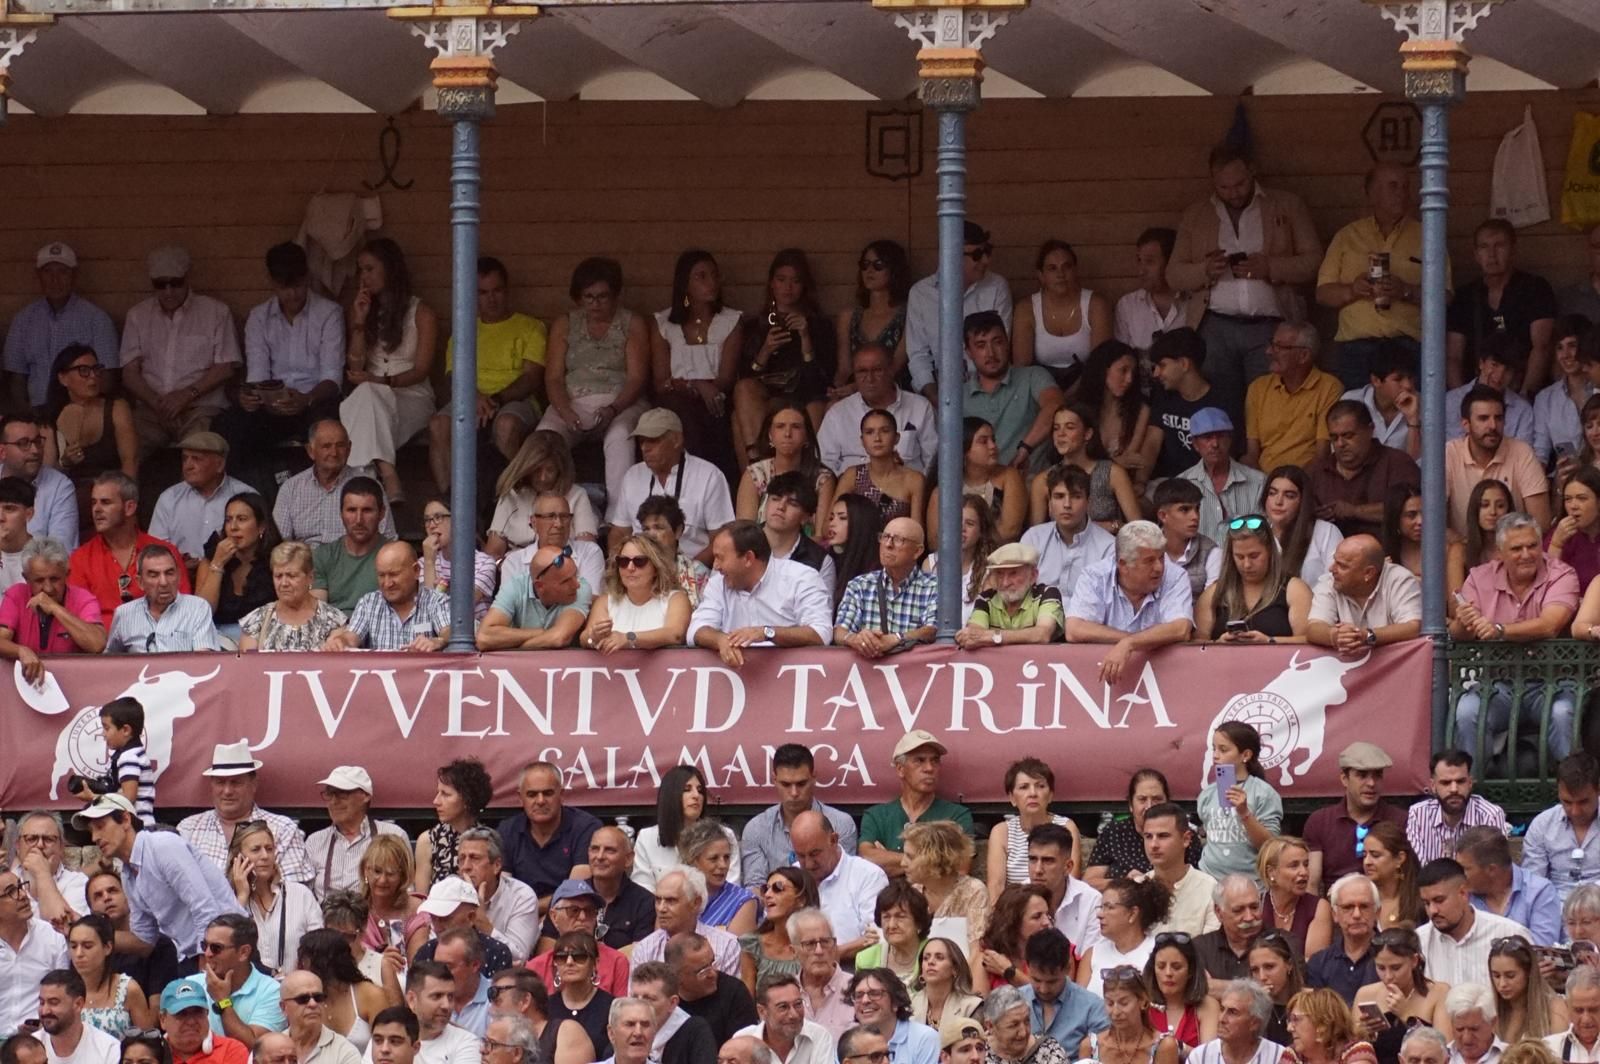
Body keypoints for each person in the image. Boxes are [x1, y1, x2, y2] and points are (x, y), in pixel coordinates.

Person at [1169, 143, 1323, 433]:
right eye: (1224, 187)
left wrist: (1271, 268)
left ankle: (1263, 465)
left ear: (1253, 171)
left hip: (1271, 327)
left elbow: (1314, 261)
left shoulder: (1287, 205)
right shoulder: (1197, 214)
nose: (1234, 192)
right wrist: (1204, 271)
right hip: (1214, 325)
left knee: (1269, 401)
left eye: (1239, 183)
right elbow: (1174, 274)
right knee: (1219, 401)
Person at [1450, 513, 1580, 764]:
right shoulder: (1479, 577)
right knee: (1467, 711)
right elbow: (1460, 633)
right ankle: (1471, 790)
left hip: (1551, 682)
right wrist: (1464, 623)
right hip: (1498, 684)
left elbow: (1549, 625)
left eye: (1532, 546)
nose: (1526, 554)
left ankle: (1570, 795)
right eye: (1516, 548)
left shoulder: (1562, 574)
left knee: (1562, 713)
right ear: (1499, 552)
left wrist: (1500, 630)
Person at [219, 242, 344, 489]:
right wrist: (251, 397)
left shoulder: (329, 313)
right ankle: (249, 496)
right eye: (285, 287)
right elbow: (258, 374)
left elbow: (332, 378)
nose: (293, 294)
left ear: (307, 277)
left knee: (328, 429)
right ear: (272, 283)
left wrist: (306, 399)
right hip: (272, 407)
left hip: (315, 402)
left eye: (298, 285)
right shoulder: (259, 317)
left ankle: (328, 496)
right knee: (229, 425)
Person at [534, 256, 651, 509]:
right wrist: (565, 411)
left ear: (616, 295)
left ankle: (616, 517)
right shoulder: (565, 324)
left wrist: (614, 409)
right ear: (578, 297)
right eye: (589, 297)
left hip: (621, 402)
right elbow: (553, 377)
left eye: (603, 296)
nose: (596, 303)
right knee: (545, 440)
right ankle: (546, 508)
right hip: (572, 401)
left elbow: (636, 377)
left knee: (620, 437)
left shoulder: (632, 323)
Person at [426, 257, 547, 494]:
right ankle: (451, 504)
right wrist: (474, 397)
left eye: (497, 290)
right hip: (470, 398)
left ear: (507, 290)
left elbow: (531, 378)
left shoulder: (531, 327)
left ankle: (504, 504)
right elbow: (452, 376)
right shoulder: (464, 328)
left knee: (506, 424)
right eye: (483, 292)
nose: (491, 299)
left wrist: (494, 401)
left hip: (515, 401)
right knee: (439, 424)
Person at [119, 245, 242, 456]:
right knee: (127, 449)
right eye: (160, 284)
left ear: (187, 278)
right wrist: (156, 401)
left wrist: (186, 395)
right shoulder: (137, 315)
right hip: (151, 409)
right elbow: (129, 372)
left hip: (201, 408)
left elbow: (226, 366)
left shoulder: (215, 311)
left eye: (175, 283)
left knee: (200, 453)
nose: (168, 291)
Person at [340, 238, 437, 505]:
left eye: (370, 269)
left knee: (364, 399)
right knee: (366, 395)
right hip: (371, 396)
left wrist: (380, 380)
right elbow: (356, 366)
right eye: (361, 270)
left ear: (390, 269)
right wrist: (359, 322)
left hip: (411, 397)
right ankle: (385, 472)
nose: (365, 277)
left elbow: (421, 370)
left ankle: (362, 487)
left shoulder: (422, 313)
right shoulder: (362, 310)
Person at [1316, 163, 1429, 390]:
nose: (1402, 193)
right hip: (1356, 349)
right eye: (1393, 186)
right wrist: (1352, 290)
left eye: (1406, 187)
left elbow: (1445, 296)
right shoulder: (1347, 236)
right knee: (1357, 417)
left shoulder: (1426, 235)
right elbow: (1322, 293)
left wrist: (1405, 291)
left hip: (1407, 346)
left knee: (1409, 416)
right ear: (1371, 193)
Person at [733, 249, 836, 460]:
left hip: (804, 394)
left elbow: (820, 381)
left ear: (804, 286)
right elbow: (743, 379)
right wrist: (765, 351)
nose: (788, 287)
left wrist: (806, 337)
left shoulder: (819, 325)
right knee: (741, 400)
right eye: (781, 279)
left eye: (795, 281)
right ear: (772, 283)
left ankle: (803, 476)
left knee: (816, 408)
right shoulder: (755, 325)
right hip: (767, 395)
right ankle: (758, 465)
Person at [1064, 521, 1195, 684]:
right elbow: (1074, 629)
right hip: (1099, 683)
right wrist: (1132, 641)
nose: (1159, 567)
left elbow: (1181, 628)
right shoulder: (1095, 577)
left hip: (1168, 680)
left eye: (1161, 558)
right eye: (1149, 561)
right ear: (1123, 565)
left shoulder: (1175, 576)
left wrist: (1129, 644)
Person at [688, 520, 833, 666]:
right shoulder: (718, 583)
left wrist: (767, 633)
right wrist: (720, 640)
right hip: (735, 678)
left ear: (748, 558)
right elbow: (696, 629)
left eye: (721, 558)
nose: (715, 566)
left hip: (793, 679)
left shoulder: (801, 578)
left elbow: (821, 633)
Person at [650, 249, 743, 476]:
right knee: (682, 413)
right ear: (685, 284)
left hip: (716, 399)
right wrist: (696, 385)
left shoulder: (731, 321)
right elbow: (661, 382)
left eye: (714, 275)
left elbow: (726, 378)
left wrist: (707, 389)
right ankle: (691, 479)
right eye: (701, 277)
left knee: (712, 415)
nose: (711, 283)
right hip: (676, 400)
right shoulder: (663, 323)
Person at [607, 408, 736, 564]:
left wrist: (687, 572)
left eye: (653, 440)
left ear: (676, 440)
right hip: (639, 570)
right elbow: (619, 531)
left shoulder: (709, 476)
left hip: (693, 572)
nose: (644, 448)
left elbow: (721, 537)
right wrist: (621, 565)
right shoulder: (632, 476)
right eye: (641, 441)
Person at [5, 242, 119, 413]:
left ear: (74, 275)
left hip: (83, 412)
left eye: (63, 272)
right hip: (36, 412)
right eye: (48, 272)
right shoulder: (23, 320)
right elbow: (16, 377)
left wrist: (85, 412)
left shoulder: (96, 319)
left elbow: (108, 377)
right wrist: (28, 416)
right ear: (38, 275)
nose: (55, 279)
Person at [1447, 218, 1557, 393]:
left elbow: (1541, 347)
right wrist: (1463, 399)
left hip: (1523, 390)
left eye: (1499, 245)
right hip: (1476, 394)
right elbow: (1453, 356)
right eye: (1484, 247)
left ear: (1513, 250)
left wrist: (1524, 395)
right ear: (1476, 254)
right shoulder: (1465, 296)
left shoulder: (1535, 288)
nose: (1491, 254)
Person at [907, 221, 1013, 402]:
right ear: (951, 256)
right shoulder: (921, 293)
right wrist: (936, 399)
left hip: (990, 390)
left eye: (987, 251)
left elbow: (1000, 348)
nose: (986, 260)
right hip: (939, 393)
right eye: (977, 255)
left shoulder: (997, 286)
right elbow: (918, 357)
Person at [68, 473, 188, 626]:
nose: (96, 509)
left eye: (105, 502)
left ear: (129, 507)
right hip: (102, 646)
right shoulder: (81, 558)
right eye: (93, 503)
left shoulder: (165, 553)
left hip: (158, 642)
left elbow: (183, 608)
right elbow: (78, 619)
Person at [740, 745, 858, 892]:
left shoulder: (840, 824)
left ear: (814, 778)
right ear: (774, 780)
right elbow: (755, 888)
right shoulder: (756, 829)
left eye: (801, 784)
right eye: (786, 784)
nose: (794, 792)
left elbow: (844, 881)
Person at [857, 730, 973, 874]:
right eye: (919, 760)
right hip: (888, 895)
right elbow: (866, 859)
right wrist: (937, 861)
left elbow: (960, 869)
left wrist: (890, 860)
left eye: (935, 760)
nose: (929, 768)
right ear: (900, 769)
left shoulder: (956, 815)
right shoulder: (877, 816)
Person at [1300, 742, 1408, 892]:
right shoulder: (1320, 821)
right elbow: (1312, 883)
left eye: (1377, 775)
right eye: (1362, 775)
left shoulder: (1401, 820)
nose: (1371, 783)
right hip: (1334, 908)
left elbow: (1408, 877)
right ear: (1344, 778)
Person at [1307, 401, 1421, 541]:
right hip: (1330, 558)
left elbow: (1409, 513)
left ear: (1370, 430)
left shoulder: (1397, 463)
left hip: (1387, 558)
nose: (1340, 444)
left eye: (1348, 436)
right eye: (1334, 438)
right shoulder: (1317, 471)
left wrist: (1354, 511)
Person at [818, 344, 938, 476]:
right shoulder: (838, 413)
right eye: (862, 371)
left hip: (906, 492)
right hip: (852, 493)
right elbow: (824, 465)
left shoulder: (920, 407)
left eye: (877, 370)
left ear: (891, 370)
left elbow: (934, 462)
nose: (870, 378)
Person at [1444, 387, 1549, 537]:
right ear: (1465, 424)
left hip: (1512, 552)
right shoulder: (1449, 453)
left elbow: (1541, 523)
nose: (1493, 426)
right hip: (1463, 551)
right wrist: (1464, 549)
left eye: (1498, 418)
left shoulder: (1522, 452)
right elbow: (1433, 522)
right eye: (1483, 418)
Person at [271, 421, 396, 547]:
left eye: (340, 445)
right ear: (310, 451)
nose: (334, 453)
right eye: (326, 446)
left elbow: (388, 538)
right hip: (306, 561)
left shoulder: (369, 485)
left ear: (349, 449)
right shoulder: (291, 488)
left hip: (353, 561)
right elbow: (278, 542)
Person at [963, 311, 1063, 469]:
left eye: (997, 342)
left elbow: (1055, 405)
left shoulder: (1032, 376)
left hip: (1031, 482)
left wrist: (1025, 448)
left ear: (1007, 342)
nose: (990, 352)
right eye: (981, 345)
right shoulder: (958, 396)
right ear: (968, 352)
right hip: (980, 487)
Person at [495, 762, 600, 906]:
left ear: (561, 794)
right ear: (520, 798)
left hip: (569, 914)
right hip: (518, 918)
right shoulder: (507, 830)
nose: (540, 801)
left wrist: (529, 911)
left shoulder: (585, 827)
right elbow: (501, 891)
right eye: (532, 794)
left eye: (548, 793)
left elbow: (575, 892)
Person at [0, 537, 106, 680]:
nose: (48, 588)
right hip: (23, 682)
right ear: (26, 578)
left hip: (73, 683)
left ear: (67, 575)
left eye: (55, 579)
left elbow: (97, 644)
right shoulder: (16, 595)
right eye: (39, 580)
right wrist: (21, 650)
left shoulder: (83, 599)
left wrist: (56, 608)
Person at [1244, 321, 1343, 473]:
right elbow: (1252, 453)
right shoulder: (1258, 387)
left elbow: (1322, 455)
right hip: (1263, 480)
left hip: (1305, 480)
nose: (1269, 351)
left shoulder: (1329, 387)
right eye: (1272, 344)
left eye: (1279, 347)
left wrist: (1291, 484)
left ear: (1303, 355)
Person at [226, 821, 322, 977]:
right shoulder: (229, 901)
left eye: (269, 849)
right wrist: (242, 897)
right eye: (256, 850)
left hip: (296, 989)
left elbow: (319, 950)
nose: (265, 856)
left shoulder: (300, 894)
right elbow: (226, 948)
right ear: (238, 859)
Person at [1194, 514, 1310, 642]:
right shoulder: (1214, 592)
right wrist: (1218, 644)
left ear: (1270, 551)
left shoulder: (1294, 589)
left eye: (1254, 556)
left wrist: (1270, 641)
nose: (1247, 564)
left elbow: (1307, 640)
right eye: (1239, 557)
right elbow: (1196, 644)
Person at [1012, 238, 1112, 388]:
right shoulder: (1026, 308)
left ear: (1075, 270)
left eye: (1067, 267)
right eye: (1052, 268)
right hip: (1041, 390)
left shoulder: (1096, 305)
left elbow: (1099, 364)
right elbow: (1022, 367)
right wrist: (1050, 399)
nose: (1061, 274)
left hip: (1086, 388)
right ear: (1041, 275)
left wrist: (1068, 398)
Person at [1414, 858, 1529, 986]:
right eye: (1426, 903)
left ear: (1463, 893)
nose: (1432, 910)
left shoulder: (1509, 933)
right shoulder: (1418, 942)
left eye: (1439, 900)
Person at [789, 813, 887, 961]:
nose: (808, 864)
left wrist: (826, 956)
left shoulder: (869, 876)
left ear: (833, 840)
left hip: (853, 974)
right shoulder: (793, 875)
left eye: (815, 854)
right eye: (801, 856)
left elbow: (878, 937)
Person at [177, 914, 287, 1046]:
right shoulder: (191, 985)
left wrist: (223, 1001)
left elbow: (253, 1046)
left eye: (216, 948)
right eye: (204, 945)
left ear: (243, 952)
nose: (207, 954)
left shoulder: (272, 991)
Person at [834, 516, 938, 654]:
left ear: (917, 551)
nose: (888, 544)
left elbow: (932, 630)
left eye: (899, 540)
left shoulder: (934, 587)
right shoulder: (859, 585)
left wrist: (896, 638)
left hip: (915, 674)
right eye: (885, 537)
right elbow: (840, 632)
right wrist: (856, 639)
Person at [320, 542, 449, 653]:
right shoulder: (369, 603)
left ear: (416, 571)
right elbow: (352, 636)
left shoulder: (436, 601)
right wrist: (340, 642)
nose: (387, 583)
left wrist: (437, 641)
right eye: (381, 575)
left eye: (394, 574)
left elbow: (449, 632)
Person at [979, 759, 1079, 900]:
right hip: (1014, 911)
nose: (1033, 793)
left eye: (1040, 786)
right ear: (1012, 798)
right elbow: (996, 886)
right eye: (1024, 787)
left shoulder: (1066, 827)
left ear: (1050, 795)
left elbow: (1072, 882)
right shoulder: (1002, 832)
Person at [1307, 534, 1423, 655]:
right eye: (1334, 560)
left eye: (1342, 566)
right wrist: (1335, 636)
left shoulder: (1399, 579)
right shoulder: (1330, 581)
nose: (1332, 569)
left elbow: (1413, 627)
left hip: (1397, 668)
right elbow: (1313, 628)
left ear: (1368, 573)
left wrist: (1368, 636)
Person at [486, 432, 599, 555]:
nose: (543, 478)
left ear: (561, 469)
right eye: (537, 470)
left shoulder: (577, 495)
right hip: (515, 569)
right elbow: (493, 551)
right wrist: (502, 565)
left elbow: (588, 551)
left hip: (564, 567)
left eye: (550, 470)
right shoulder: (512, 495)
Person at [631, 765, 740, 893]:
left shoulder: (725, 836)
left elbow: (732, 889)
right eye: (687, 789)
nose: (696, 796)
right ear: (671, 795)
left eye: (700, 790)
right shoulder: (647, 838)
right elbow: (642, 891)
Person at [1196, 723, 1283, 883]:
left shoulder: (1263, 793)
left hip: (1250, 883)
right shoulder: (1207, 794)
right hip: (1209, 882)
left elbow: (1271, 848)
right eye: (1214, 748)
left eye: (1223, 750)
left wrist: (1244, 813)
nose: (1215, 755)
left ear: (1245, 755)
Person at [1085, 771, 1202, 889]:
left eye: (1157, 799)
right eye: (1142, 799)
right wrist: (1124, 883)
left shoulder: (1183, 836)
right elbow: (1089, 883)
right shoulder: (1113, 833)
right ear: (1131, 805)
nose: (1150, 806)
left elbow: (1198, 881)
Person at [737, 404, 837, 537]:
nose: (788, 433)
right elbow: (744, 533)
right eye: (780, 426)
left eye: (796, 427)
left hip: (805, 555)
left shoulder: (822, 479)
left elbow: (820, 537)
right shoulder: (755, 473)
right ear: (770, 436)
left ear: (807, 436)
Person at [47, 344, 138, 489]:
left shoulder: (116, 407)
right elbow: (46, 475)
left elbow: (130, 461)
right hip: (67, 494)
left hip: (111, 492)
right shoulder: (50, 417)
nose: (93, 376)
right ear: (63, 378)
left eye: (96, 369)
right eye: (84, 371)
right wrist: (65, 463)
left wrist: (123, 498)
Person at [193, 493, 278, 642]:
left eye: (242, 519)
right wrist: (218, 565)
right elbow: (201, 614)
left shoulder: (277, 560)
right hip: (217, 640)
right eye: (228, 520)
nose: (233, 527)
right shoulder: (211, 558)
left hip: (265, 638)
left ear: (261, 527)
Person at [104, 545, 220, 654]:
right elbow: (111, 663)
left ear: (179, 576)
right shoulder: (124, 614)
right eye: (154, 575)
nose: (164, 582)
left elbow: (205, 662)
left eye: (169, 573)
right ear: (140, 582)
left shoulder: (197, 608)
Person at [1454, 828, 1561, 947]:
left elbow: (1541, 950)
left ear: (1491, 869)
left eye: (1465, 869)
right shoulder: (1462, 895)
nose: (1458, 875)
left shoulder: (1540, 892)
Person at [631, 868, 745, 979]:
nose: (661, 908)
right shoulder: (644, 949)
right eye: (657, 900)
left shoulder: (727, 946)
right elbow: (636, 997)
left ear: (696, 903)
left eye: (671, 901)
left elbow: (729, 996)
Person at [476, 543, 591, 652]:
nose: (576, 584)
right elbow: (484, 637)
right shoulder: (515, 587)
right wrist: (540, 633)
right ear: (540, 586)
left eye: (575, 575)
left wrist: (514, 651)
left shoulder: (581, 589)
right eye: (565, 581)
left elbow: (559, 638)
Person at [902, 822, 989, 965]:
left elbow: (977, 951)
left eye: (910, 857)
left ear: (934, 858)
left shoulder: (973, 891)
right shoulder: (912, 892)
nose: (902, 863)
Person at [929, 419, 1027, 544]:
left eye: (993, 440)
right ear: (964, 449)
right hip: (958, 561)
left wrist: (973, 551)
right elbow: (934, 541)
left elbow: (1010, 530)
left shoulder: (1009, 476)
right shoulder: (943, 490)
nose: (993, 446)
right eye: (983, 441)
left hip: (998, 559)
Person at [236, 541, 347, 652]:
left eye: (291, 576)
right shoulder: (256, 621)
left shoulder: (334, 621)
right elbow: (248, 666)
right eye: (278, 576)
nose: (284, 583)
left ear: (310, 577)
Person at [1077, 340, 1159, 488]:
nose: (1129, 379)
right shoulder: (1078, 409)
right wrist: (1116, 462)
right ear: (1103, 369)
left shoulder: (1141, 409)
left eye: (1133, 373)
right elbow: (1073, 461)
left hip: (1120, 484)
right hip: (1080, 485)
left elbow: (1130, 461)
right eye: (1123, 370)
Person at [1177, 408, 1265, 546]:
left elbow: (1266, 535)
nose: (1215, 444)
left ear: (1230, 439)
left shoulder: (1259, 482)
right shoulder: (1181, 485)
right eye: (1207, 438)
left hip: (1244, 564)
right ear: (1195, 444)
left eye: (1221, 436)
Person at [451, 830, 540, 965]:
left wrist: (482, 923)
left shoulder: (521, 896)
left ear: (497, 865)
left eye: (474, 858)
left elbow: (518, 957)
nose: (466, 867)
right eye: (462, 859)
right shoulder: (449, 890)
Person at [1520, 754, 1600, 902]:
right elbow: (1532, 886)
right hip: (1554, 912)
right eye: (1567, 802)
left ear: (1598, 790)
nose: (1575, 811)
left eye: (1583, 802)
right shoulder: (1542, 825)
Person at [1406, 752, 1508, 867]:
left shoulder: (1490, 815)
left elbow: (1492, 868)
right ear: (1433, 786)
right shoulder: (1419, 814)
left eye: (1460, 781)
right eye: (1446, 783)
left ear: (1470, 783)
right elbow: (1416, 868)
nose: (1454, 789)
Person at [0, 868, 69, 1036]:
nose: (23, 895)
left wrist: (43, 1027)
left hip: (39, 1041)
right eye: (11, 892)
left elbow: (63, 997)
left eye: (21, 887)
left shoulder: (52, 938)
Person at [294, 927, 387, 1051]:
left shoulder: (371, 995)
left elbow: (385, 1044)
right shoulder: (303, 1000)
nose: (300, 968)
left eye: (304, 962)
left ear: (323, 963)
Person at [529, 881, 629, 995]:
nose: (582, 917)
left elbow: (621, 1011)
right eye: (574, 910)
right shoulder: (536, 967)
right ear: (554, 916)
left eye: (589, 911)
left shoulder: (617, 962)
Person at [1026, 823, 1105, 965]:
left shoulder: (1091, 900)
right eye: (1033, 859)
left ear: (1068, 867)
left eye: (1047, 861)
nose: (1037, 869)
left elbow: (1091, 963)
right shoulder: (1015, 897)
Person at [310, 478, 391, 616]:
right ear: (341, 513)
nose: (359, 520)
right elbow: (318, 613)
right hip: (334, 632)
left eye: (367, 510)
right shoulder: (323, 555)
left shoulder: (394, 555)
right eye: (351, 510)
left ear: (382, 513)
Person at [1079, 879, 1170, 998]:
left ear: (1132, 913)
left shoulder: (1158, 952)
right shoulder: (1092, 954)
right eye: (1101, 907)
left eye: (1109, 907)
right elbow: (1078, 1005)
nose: (1099, 914)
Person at [498, 491, 603, 593]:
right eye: (550, 516)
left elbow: (590, 599)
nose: (559, 524)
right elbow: (507, 608)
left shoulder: (589, 552)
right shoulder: (514, 562)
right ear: (534, 523)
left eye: (564, 516)